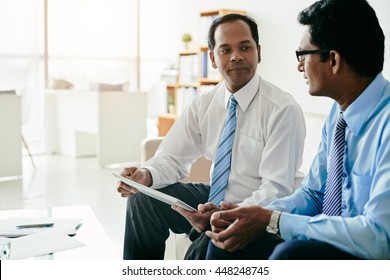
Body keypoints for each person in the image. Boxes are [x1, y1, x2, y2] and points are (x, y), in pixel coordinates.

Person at [205, 0, 390, 260]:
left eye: (303, 55)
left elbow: (379, 237)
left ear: (333, 60)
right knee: (230, 241)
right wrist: (252, 215)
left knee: (291, 255)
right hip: (331, 238)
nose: (299, 66)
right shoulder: (340, 114)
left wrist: (274, 220)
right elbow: (313, 194)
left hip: (370, 252)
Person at [117, 13, 306, 260]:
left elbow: (276, 189)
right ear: (213, 59)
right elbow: (173, 157)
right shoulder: (203, 104)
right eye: (225, 50)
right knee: (142, 202)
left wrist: (222, 216)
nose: (236, 56)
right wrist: (146, 175)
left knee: (206, 245)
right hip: (214, 196)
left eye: (245, 47)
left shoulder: (282, 109)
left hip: (256, 209)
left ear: (258, 52)